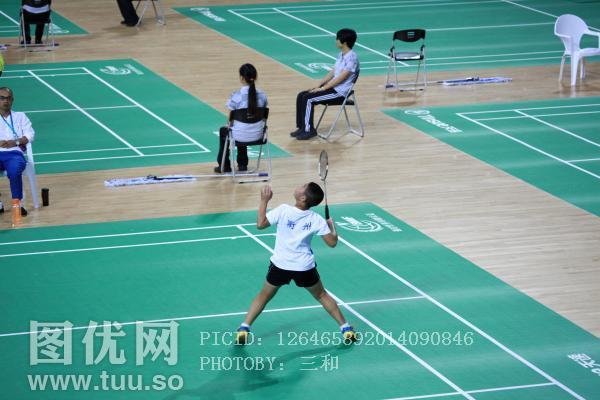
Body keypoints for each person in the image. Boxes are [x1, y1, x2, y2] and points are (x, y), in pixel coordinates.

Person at [234, 183, 356, 345]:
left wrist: (264, 200)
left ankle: (244, 328)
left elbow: (260, 224)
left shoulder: (283, 210)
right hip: (304, 267)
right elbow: (332, 242)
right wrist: (332, 227)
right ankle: (346, 329)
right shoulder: (316, 219)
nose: (298, 186)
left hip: (280, 265)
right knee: (321, 295)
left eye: (302, 186)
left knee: (264, 295)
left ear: (303, 197)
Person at [291, 28, 360, 140]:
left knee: (309, 99)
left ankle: (309, 130)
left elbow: (341, 78)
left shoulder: (352, 58)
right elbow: (333, 72)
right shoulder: (341, 54)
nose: (336, 41)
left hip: (339, 93)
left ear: (344, 42)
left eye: (337, 38)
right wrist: (318, 85)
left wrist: (323, 88)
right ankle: (302, 127)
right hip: (332, 89)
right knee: (301, 95)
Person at [215, 63, 268, 173]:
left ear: (242, 78)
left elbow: (230, 121)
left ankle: (224, 165)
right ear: (255, 77)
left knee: (227, 130)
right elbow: (263, 116)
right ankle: (242, 164)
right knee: (241, 126)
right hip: (258, 135)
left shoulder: (236, 96)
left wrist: (231, 126)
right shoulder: (263, 95)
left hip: (240, 135)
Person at [0, 87, 34, 218]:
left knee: (14, 171)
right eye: (2, 98)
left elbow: (30, 134)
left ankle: (17, 203)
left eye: (8, 98)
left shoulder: (20, 116)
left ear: (12, 100)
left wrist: (16, 142)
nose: (5, 101)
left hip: (14, 154)